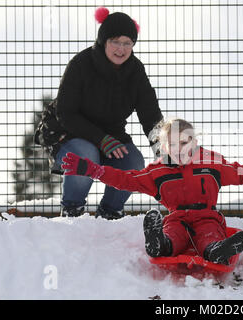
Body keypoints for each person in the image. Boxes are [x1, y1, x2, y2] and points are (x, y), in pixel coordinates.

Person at [60, 118, 243, 265]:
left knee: (209, 233)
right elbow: (126, 179)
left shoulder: (212, 164)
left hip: (207, 217)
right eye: (173, 145)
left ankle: (217, 250)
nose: (179, 149)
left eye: (184, 143)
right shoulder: (157, 172)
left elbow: (242, 171)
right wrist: (93, 170)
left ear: (194, 143)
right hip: (176, 218)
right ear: (164, 147)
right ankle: (159, 244)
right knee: (174, 235)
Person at [34, 7, 163, 219]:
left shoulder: (136, 71)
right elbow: (65, 113)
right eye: (115, 41)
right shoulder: (80, 64)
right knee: (86, 155)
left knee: (133, 163)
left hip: (111, 137)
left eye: (127, 43)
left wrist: (164, 151)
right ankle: (72, 212)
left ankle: (109, 214)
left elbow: (151, 115)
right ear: (103, 41)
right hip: (70, 134)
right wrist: (101, 139)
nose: (121, 49)